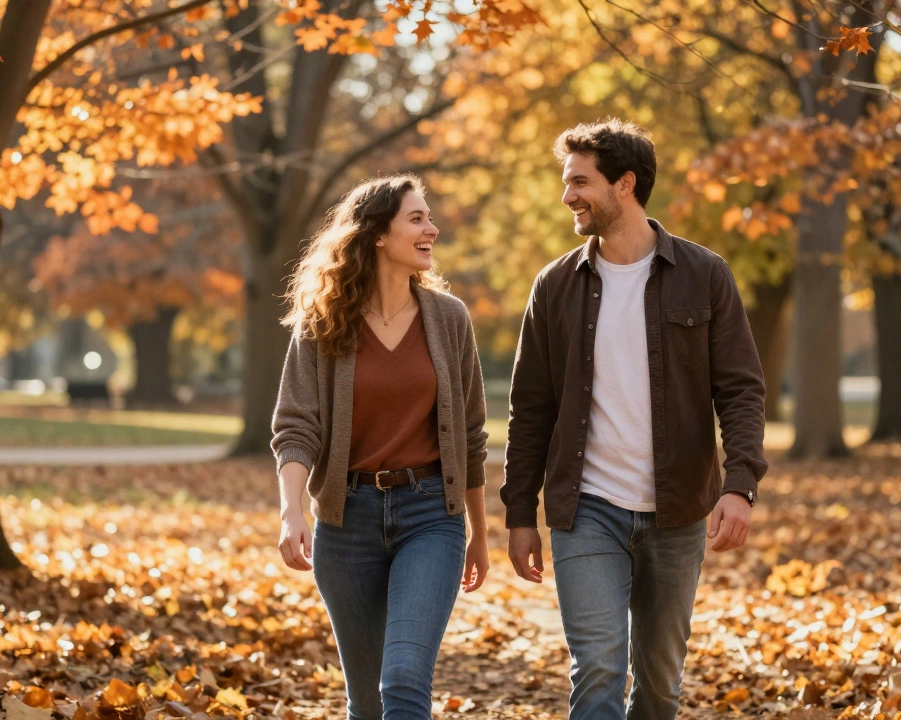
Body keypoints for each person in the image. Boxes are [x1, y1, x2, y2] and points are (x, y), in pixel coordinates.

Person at [502, 119, 768, 720]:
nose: (568, 195)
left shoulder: (705, 274)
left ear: (625, 184)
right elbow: (530, 409)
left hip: (676, 510)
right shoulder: (555, 286)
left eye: (580, 181)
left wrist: (741, 484)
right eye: (566, 181)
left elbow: (742, 391)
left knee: (659, 684)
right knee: (597, 667)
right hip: (585, 507)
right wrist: (521, 513)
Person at [271, 174, 490, 720]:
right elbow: (297, 426)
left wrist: (481, 533)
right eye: (416, 219)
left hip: (430, 515)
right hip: (347, 524)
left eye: (429, 218)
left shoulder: (449, 319)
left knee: (404, 680)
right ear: (376, 235)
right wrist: (291, 510)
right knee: (367, 703)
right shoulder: (323, 322)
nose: (431, 229)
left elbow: (470, 434)